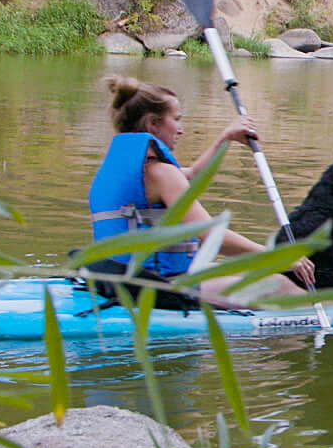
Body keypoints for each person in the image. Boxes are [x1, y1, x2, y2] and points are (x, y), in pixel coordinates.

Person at [86, 76, 314, 306]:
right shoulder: (160, 173)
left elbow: (192, 174)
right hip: (156, 287)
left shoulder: (122, 167)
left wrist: (226, 138)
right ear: (152, 123)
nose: (181, 129)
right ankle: (331, 324)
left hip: (117, 279)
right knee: (279, 285)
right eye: (176, 119)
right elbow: (213, 237)